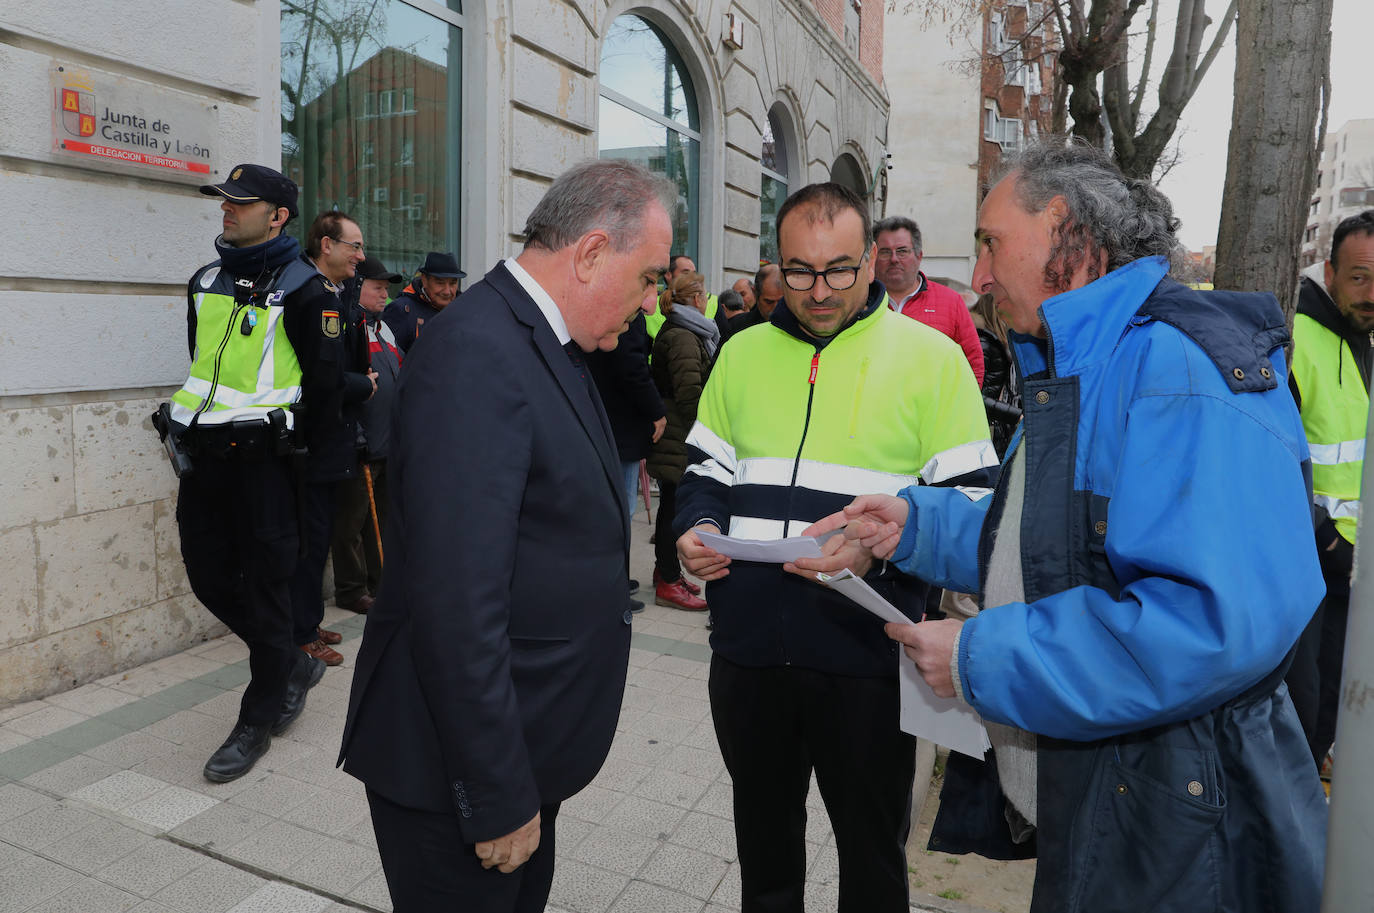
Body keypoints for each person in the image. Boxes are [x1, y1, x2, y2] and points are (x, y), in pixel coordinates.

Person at [799, 143, 1327, 913]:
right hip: (1128, 807)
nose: (978, 276)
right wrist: (912, 525)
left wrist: (984, 657)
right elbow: (1048, 538)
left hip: (1179, 838)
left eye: (990, 243)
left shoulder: (1174, 373)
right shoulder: (1095, 362)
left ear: (1063, 230)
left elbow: (1208, 625)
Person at [339, 159, 674, 913]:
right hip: (460, 776)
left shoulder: (549, 341)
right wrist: (494, 791)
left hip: (527, 749)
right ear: (590, 253)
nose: (650, 302)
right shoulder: (478, 351)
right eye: (648, 277)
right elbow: (456, 601)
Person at [674, 182, 996, 913]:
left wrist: (880, 545)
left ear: (873, 260)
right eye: (799, 271)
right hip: (748, 653)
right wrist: (690, 529)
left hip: (867, 657)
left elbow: (977, 509)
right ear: (777, 264)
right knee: (764, 855)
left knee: (873, 861)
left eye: (840, 269)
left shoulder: (933, 360)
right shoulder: (742, 351)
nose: (819, 291)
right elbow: (704, 471)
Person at [162, 164, 333, 782]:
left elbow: (325, 393)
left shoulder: (309, 289)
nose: (227, 209)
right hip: (204, 461)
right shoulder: (204, 281)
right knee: (208, 578)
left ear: (278, 215)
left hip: (267, 469)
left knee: (266, 590)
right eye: (224, 200)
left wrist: (308, 479)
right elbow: (203, 369)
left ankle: (257, 718)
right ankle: (289, 658)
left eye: (242, 202)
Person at [1284, 209, 1374, 776]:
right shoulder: (1298, 340)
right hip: (1315, 568)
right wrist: (1327, 542)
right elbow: (1277, 461)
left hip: (1355, 572)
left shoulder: (1368, 340)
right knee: (1304, 709)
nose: (1371, 292)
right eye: (1360, 276)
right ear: (1331, 272)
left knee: (1335, 710)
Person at [293, 211, 376, 666]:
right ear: (327, 245)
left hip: (331, 437)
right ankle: (301, 631)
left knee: (319, 537)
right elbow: (322, 379)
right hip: (314, 440)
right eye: (354, 246)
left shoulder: (336, 293)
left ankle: (306, 620)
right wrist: (364, 385)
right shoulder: (313, 292)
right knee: (309, 540)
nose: (360, 256)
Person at [329, 255, 404, 617]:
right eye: (377, 288)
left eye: (386, 289)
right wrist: (357, 436)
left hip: (387, 443)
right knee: (351, 522)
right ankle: (351, 589)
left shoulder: (383, 327)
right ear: (357, 288)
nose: (385, 295)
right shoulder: (347, 328)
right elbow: (341, 386)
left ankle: (380, 581)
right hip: (360, 444)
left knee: (384, 518)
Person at [587, 296, 667, 613]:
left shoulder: (603, 307)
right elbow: (633, 369)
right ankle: (612, 586)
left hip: (606, 423)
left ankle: (614, 580)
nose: (653, 294)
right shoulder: (626, 313)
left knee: (615, 509)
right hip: (621, 429)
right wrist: (657, 412)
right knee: (620, 511)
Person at [646, 272, 714, 612]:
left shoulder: (683, 330)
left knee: (671, 507)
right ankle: (668, 581)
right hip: (679, 436)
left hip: (677, 434)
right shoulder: (685, 336)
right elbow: (690, 395)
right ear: (697, 299)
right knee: (672, 511)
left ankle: (666, 572)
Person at [874, 215, 985, 384]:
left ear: (919, 256)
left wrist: (958, 407)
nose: (894, 259)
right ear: (873, 256)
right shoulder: (861, 302)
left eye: (902, 251)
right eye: (885, 252)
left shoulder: (950, 302)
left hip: (935, 409)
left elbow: (973, 362)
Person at [382, 251, 466, 352]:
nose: (447, 291)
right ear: (424, 280)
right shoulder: (401, 310)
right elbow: (390, 359)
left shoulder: (464, 311)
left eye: (453, 284)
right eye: (440, 283)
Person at [726, 263, 783, 336]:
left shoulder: (799, 326)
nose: (776, 308)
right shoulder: (737, 326)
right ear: (755, 293)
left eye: (781, 301)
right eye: (769, 302)